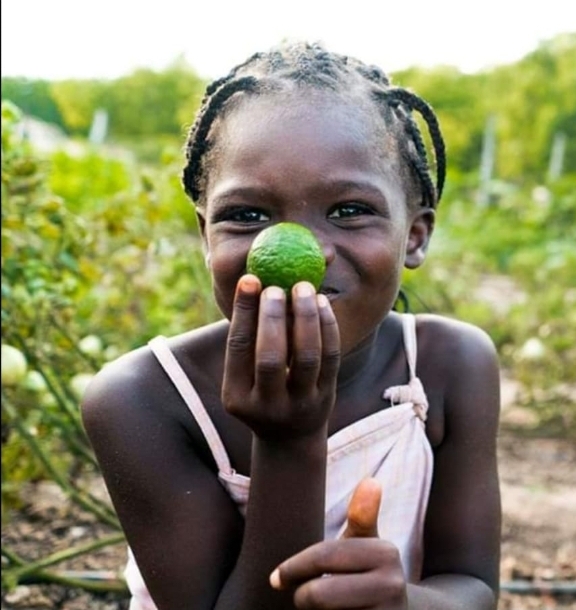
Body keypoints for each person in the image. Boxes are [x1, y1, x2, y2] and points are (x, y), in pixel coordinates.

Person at [81, 40, 502, 610]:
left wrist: (405, 602)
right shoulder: (142, 399)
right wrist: (289, 441)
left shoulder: (453, 365)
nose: (304, 248)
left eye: (349, 210)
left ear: (415, 235)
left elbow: (472, 587)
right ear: (206, 236)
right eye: (247, 216)